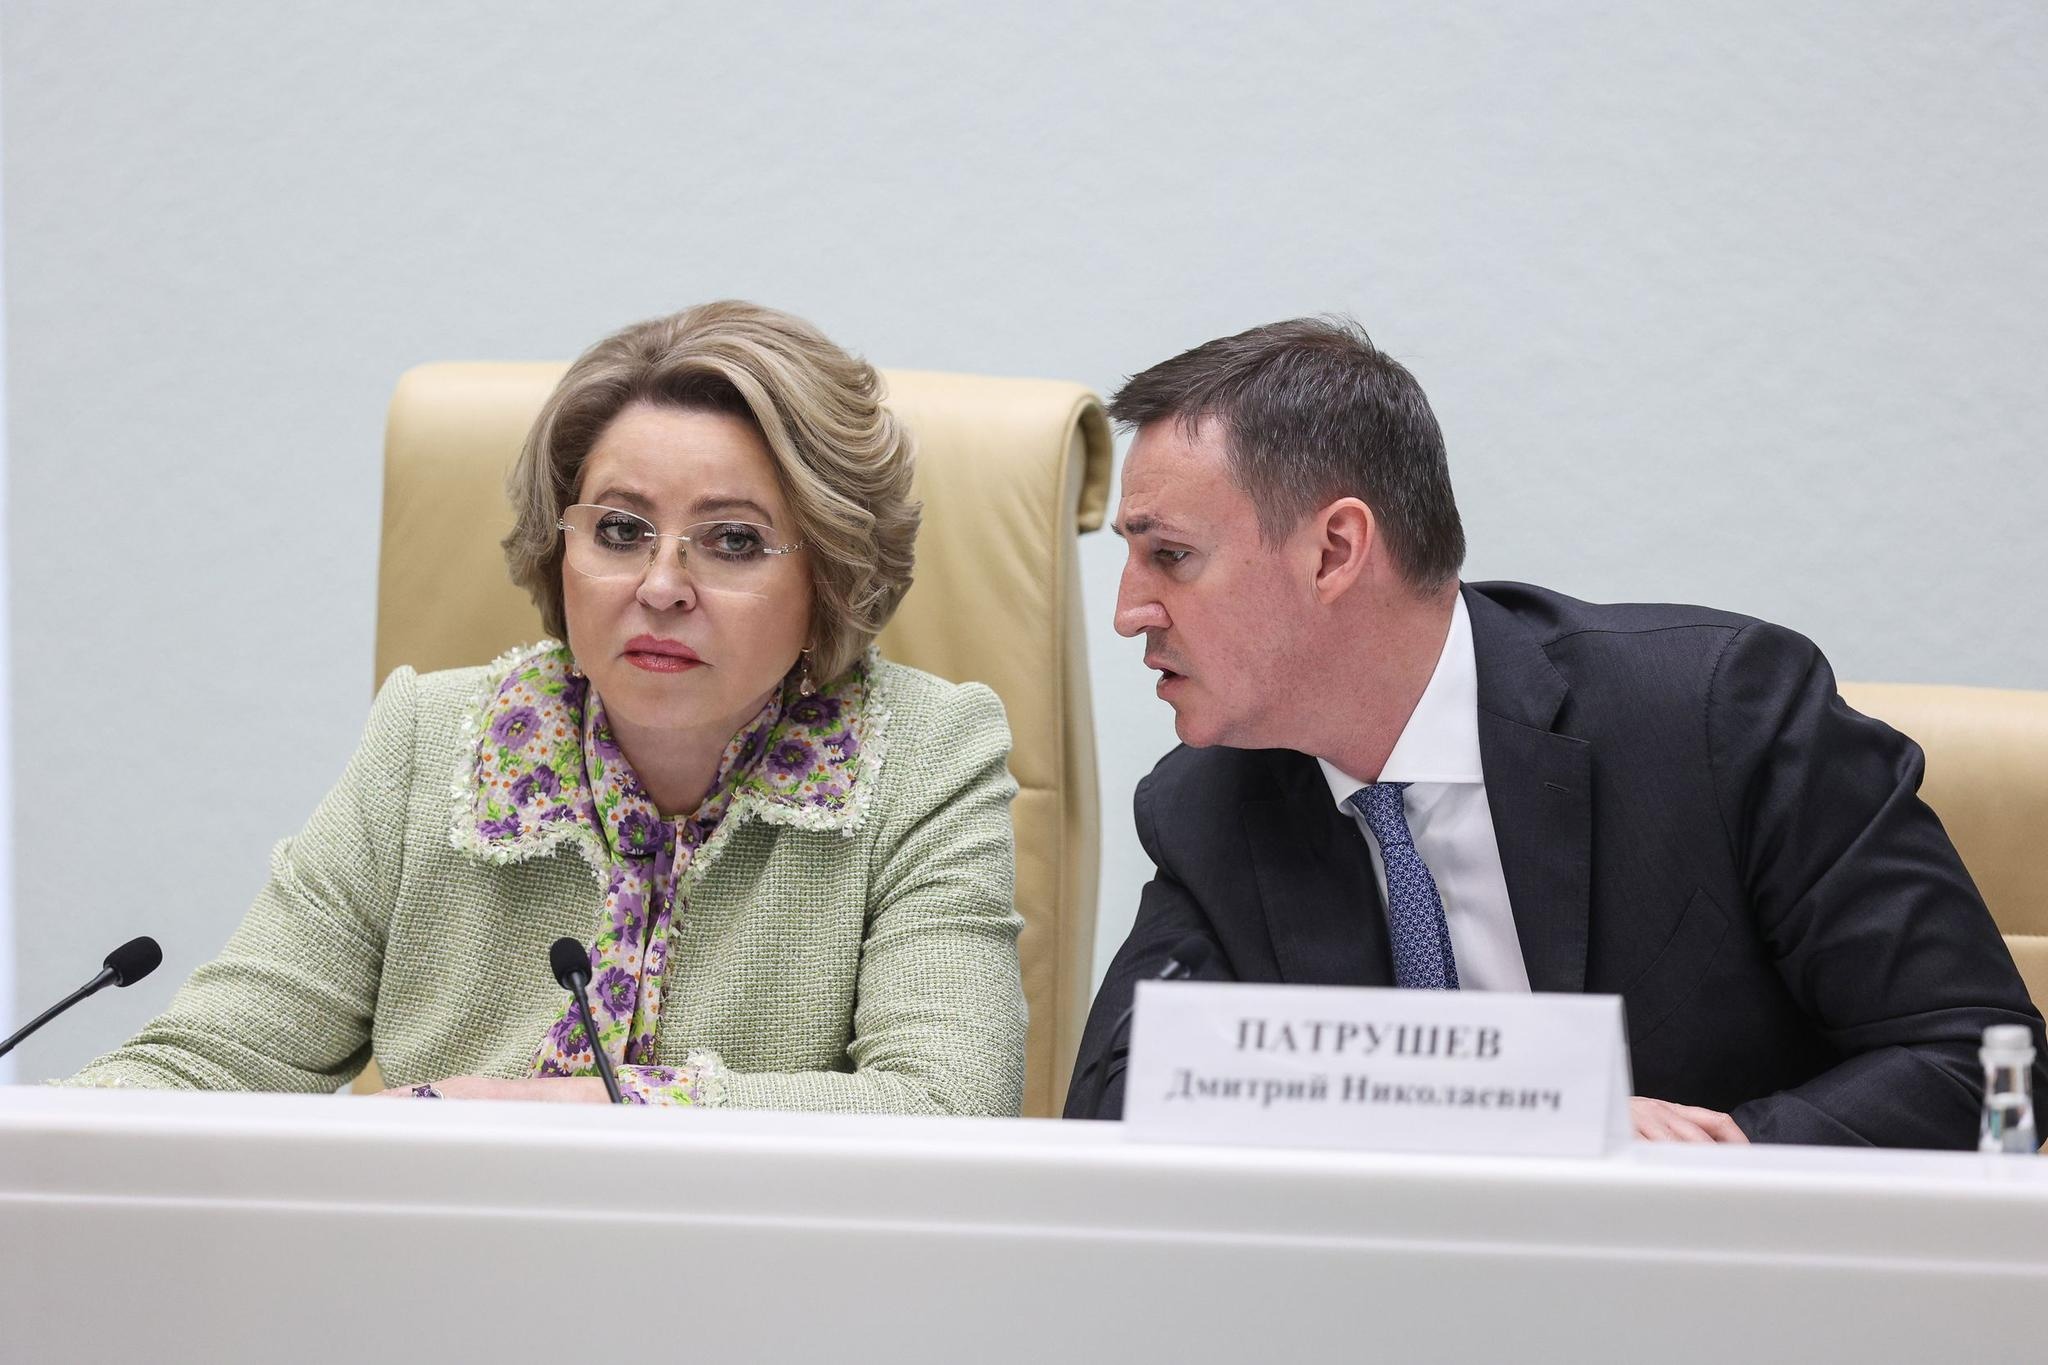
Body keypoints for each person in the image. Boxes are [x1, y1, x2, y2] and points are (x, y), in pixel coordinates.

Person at [1066, 316, 2046, 1146]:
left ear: (1334, 550)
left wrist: (1716, 1162)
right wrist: (1506, 1123)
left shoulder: (1717, 716)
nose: (1127, 611)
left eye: (1171, 556)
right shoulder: (1211, 802)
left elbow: (1975, 1061)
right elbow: (1114, 1112)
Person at [69, 301, 1027, 1113]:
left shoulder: (928, 757)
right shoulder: (428, 743)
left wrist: (540, 1110)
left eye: (732, 540)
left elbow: (948, 1104)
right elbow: (206, 1064)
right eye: (620, 529)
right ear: (558, 547)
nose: (661, 585)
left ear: (833, 572)